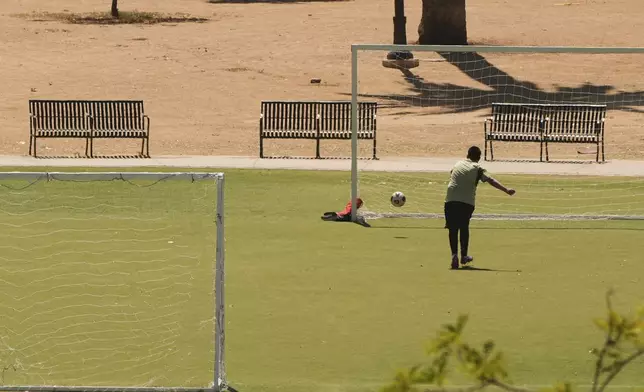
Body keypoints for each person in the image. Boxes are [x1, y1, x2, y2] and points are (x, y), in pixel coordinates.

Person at [445, 146, 515, 270]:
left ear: (467, 155)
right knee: (464, 227)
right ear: (478, 157)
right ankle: (464, 255)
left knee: (453, 228)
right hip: (466, 201)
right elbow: (490, 180)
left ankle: (454, 255)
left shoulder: (458, 163)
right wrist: (506, 190)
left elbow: (452, 173)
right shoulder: (478, 168)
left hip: (450, 199)